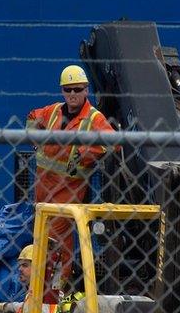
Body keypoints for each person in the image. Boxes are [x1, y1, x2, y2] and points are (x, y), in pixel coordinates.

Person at [26, 65, 115, 286]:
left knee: (57, 244)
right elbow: (32, 117)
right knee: (42, 242)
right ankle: (44, 288)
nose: (72, 94)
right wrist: (35, 139)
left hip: (66, 197)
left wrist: (86, 153)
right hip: (42, 193)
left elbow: (113, 143)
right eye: (68, 90)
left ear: (86, 90)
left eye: (77, 89)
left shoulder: (94, 118)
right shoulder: (54, 111)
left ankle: (57, 288)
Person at [9, 242, 65, 313]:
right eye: (19, 265)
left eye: (25, 265)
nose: (19, 269)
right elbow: (25, 308)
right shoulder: (43, 293)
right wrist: (1, 306)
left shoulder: (40, 296)